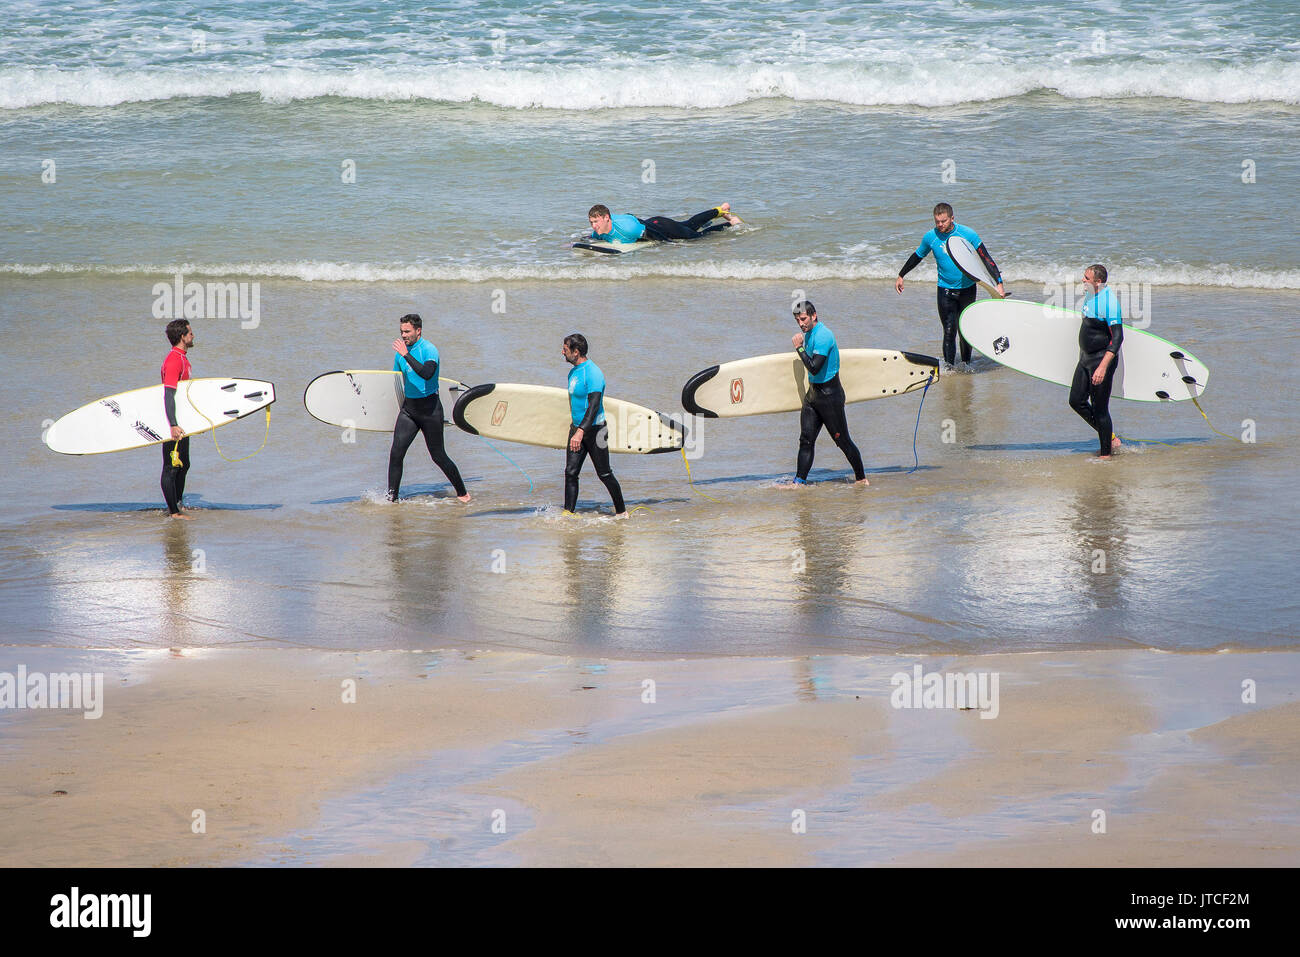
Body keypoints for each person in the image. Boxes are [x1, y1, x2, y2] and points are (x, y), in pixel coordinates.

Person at [895, 203, 1005, 366]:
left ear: (952, 218)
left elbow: (985, 258)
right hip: (945, 290)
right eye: (937, 221)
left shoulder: (968, 234)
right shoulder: (930, 237)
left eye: (944, 221)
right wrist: (901, 275)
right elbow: (918, 256)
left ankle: (966, 365)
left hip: (967, 290)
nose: (940, 225)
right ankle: (949, 368)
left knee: (965, 331)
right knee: (949, 331)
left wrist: (999, 283)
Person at [388, 314, 471, 503]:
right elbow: (394, 381)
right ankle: (391, 499)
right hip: (409, 411)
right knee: (396, 453)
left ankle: (462, 493)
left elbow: (427, 373)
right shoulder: (399, 355)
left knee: (438, 456)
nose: (403, 335)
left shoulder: (429, 349)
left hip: (430, 411)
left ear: (418, 330)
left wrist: (406, 354)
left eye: (407, 331)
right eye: (401, 331)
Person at [787, 301, 869, 486]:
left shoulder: (824, 335)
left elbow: (814, 367)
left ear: (814, 315)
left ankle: (861, 479)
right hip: (813, 396)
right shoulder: (809, 334)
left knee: (843, 442)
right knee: (806, 440)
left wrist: (799, 348)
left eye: (803, 319)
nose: (800, 324)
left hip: (830, 397)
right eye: (797, 320)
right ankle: (798, 482)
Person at [561, 333, 628, 518]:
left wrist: (581, 432)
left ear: (576, 352)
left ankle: (622, 512)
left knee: (604, 474)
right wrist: (575, 430)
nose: (562, 352)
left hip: (596, 430)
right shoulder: (573, 372)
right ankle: (568, 514)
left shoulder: (593, 373)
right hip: (577, 429)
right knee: (570, 472)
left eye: (565, 349)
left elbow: (593, 406)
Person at [1070, 265, 1124, 459]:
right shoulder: (1090, 294)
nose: (1083, 280)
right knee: (1076, 401)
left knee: (1100, 409)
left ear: (1098, 281)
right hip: (1085, 358)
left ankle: (1105, 455)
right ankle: (1109, 437)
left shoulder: (1109, 302)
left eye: (1086, 278)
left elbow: (1117, 338)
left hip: (1101, 361)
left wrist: (1102, 367)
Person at [161, 319, 195, 519]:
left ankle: (178, 503)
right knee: (170, 467)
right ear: (182, 336)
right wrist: (172, 424)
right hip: (172, 422)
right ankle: (173, 512)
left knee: (184, 464)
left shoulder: (182, 358)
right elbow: (168, 395)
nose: (193, 336)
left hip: (182, 421)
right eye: (190, 333)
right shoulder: (174, 360)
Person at [587, 203, 742, 244]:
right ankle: (721, 210)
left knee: (696, 236)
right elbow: (591, 237)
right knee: (688, 224)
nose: (594, 225)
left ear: (607, 218)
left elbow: (654, 235)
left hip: (663, 227)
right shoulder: (599, 230)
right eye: (592, 222)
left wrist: (669, 244)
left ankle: (731, 224)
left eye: (596, 221)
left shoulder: (629, 229)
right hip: (653, 222)